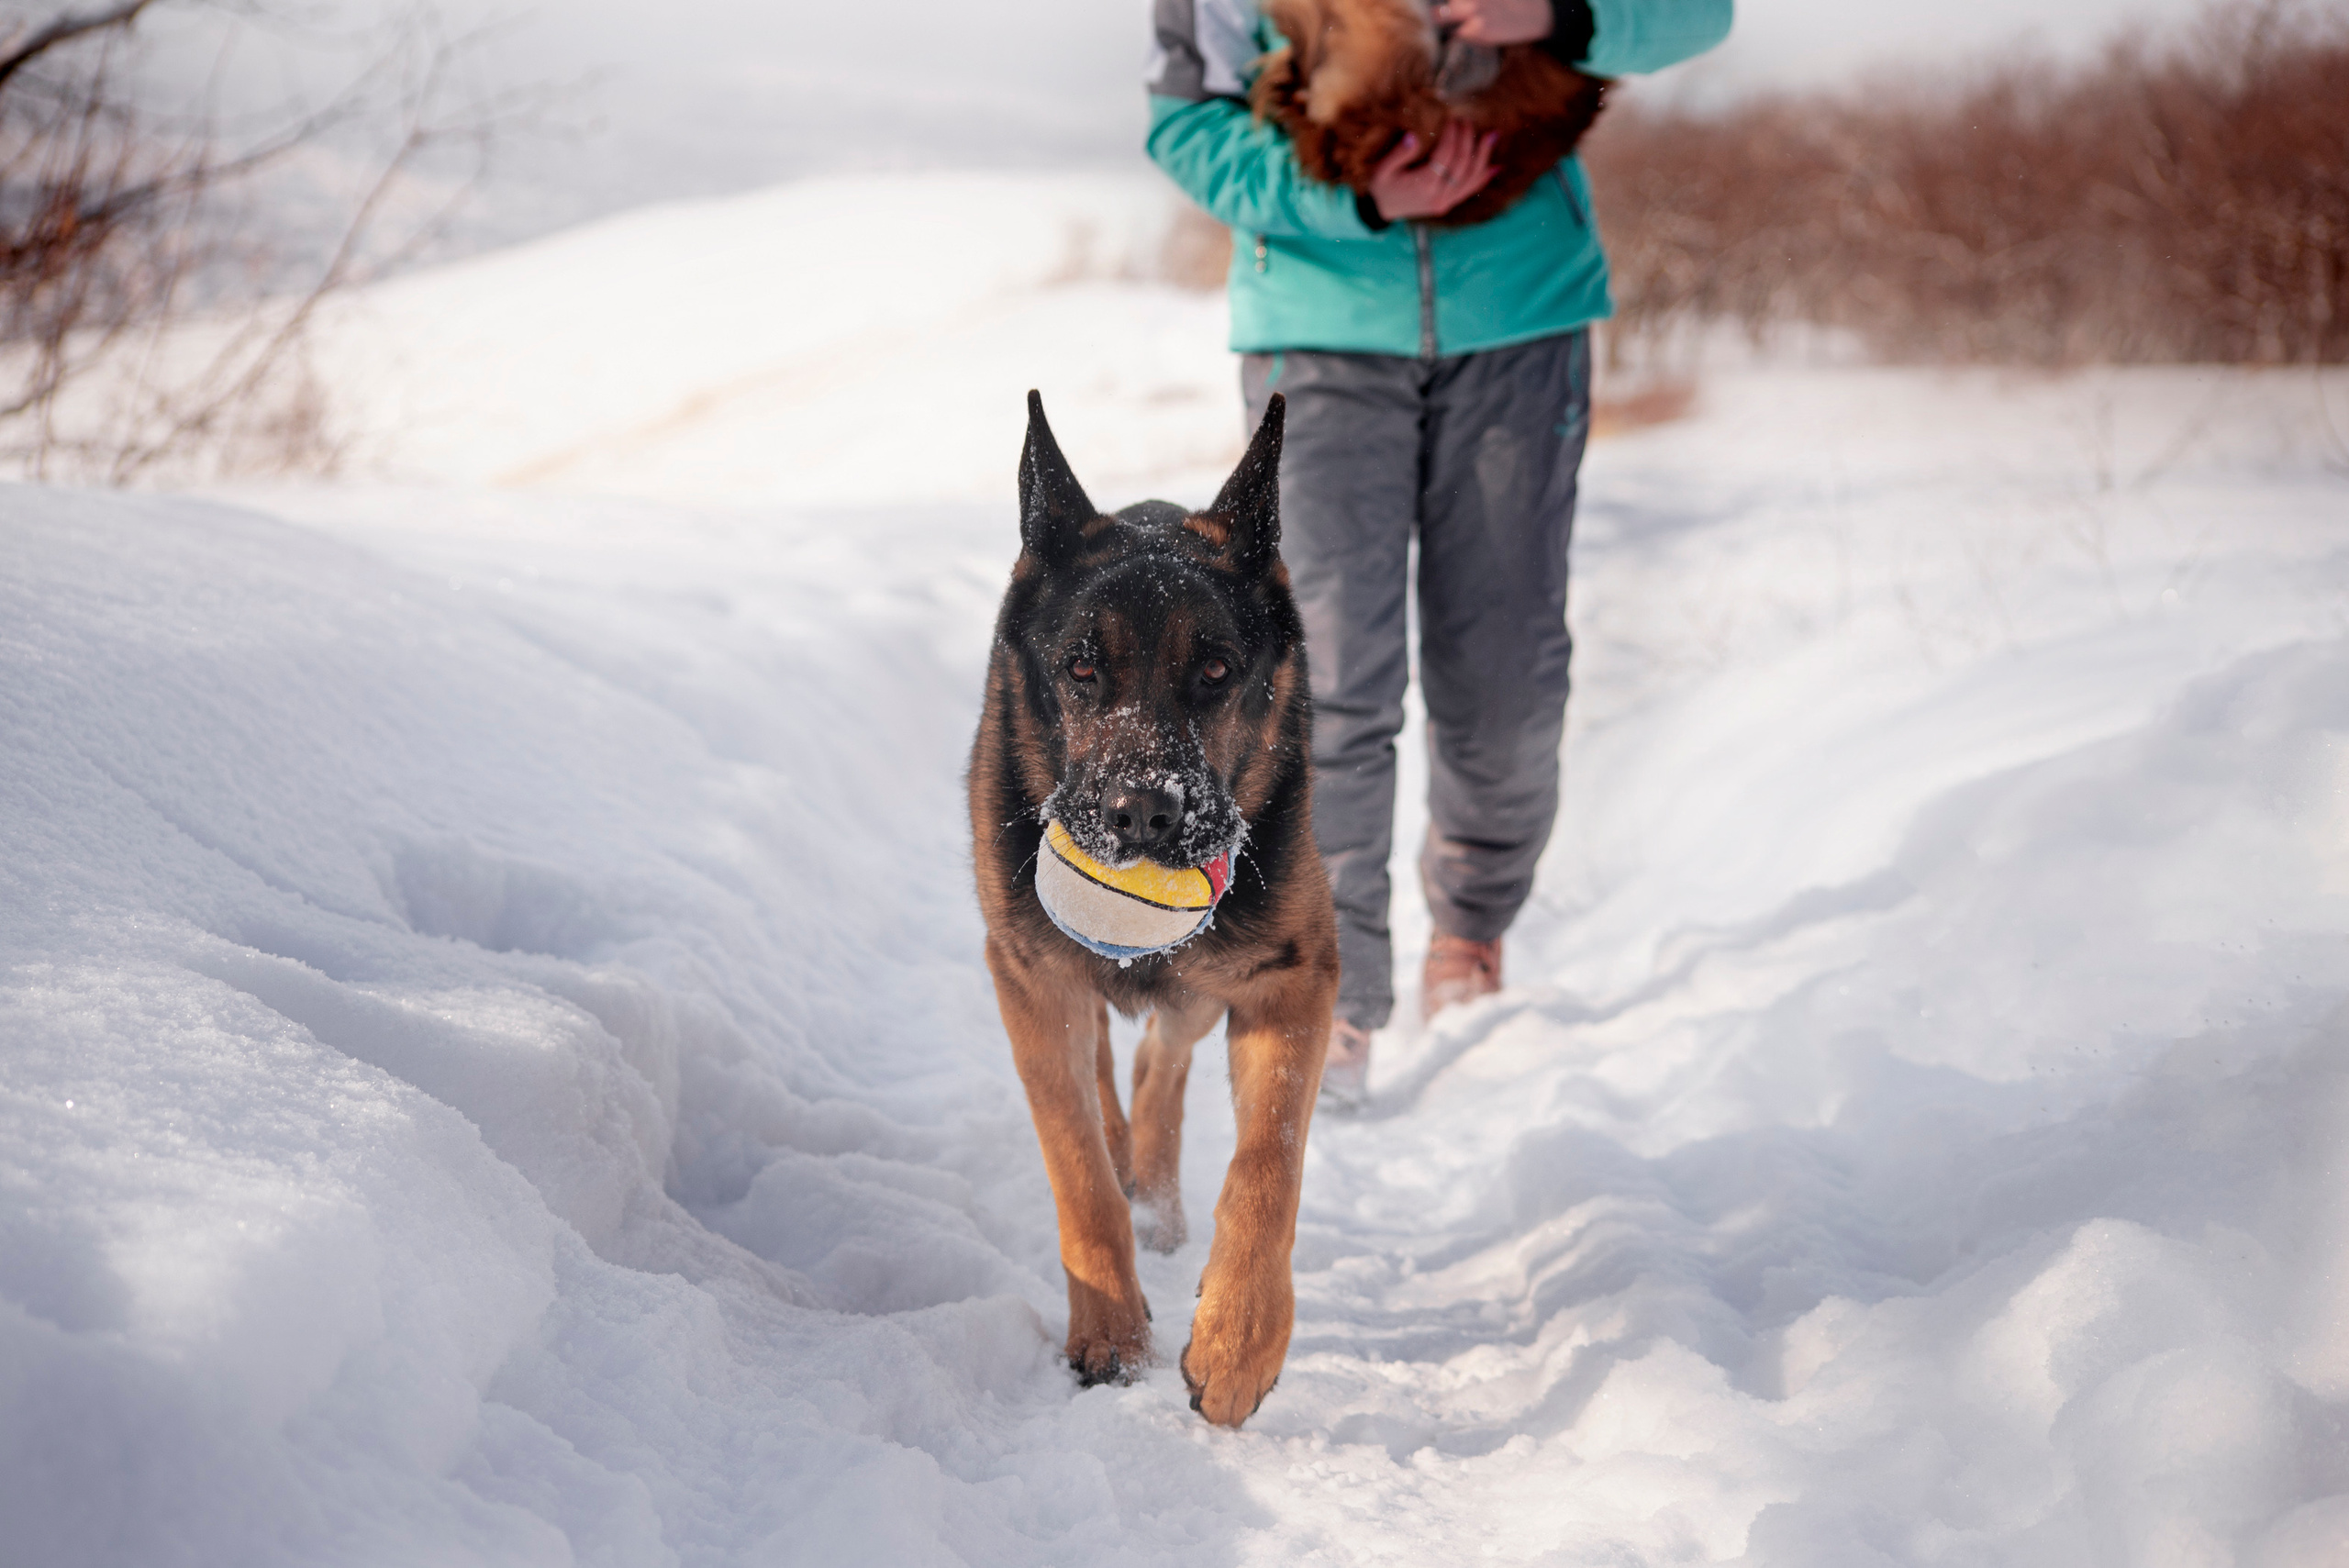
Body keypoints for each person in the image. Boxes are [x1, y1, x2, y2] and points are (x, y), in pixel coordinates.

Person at [1144, 0, 1732, 1105]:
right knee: (1328, 676)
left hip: (1518, 319)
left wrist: (1558, 12)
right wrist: (1354, 199)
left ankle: (1470, 932)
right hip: (1315, 328)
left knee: (1502, 674)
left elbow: (1699, 14)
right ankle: (1330, 984)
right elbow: (1186, 120)